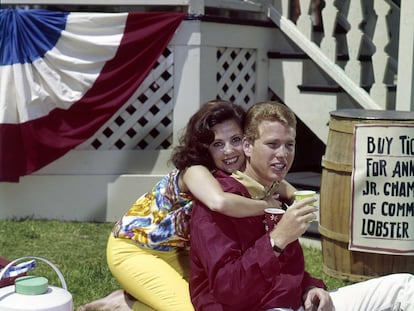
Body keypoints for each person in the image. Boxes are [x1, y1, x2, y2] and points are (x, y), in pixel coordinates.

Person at [189, 101, 414, 311]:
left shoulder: (276, 195)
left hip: (293, 303)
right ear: (247, 146)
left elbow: (289, 269)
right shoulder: (217, 207)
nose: (283, 154)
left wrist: (311, 287)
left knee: (405, 287)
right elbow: (228, 291)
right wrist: (276, 240)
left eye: (289, 145)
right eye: (272, 144)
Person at [78, 100, 296, 311]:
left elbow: (282, 185)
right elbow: (219, 202)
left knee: (212, 299)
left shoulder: (232, 173)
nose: (229, 151)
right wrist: (267, 205)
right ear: (204, 147)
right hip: (136, 249)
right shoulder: (195, 171)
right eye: (218, 144)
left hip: (177, 252)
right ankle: (125, 305)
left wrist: (300, 199)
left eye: (236, 140)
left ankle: (131, 296)